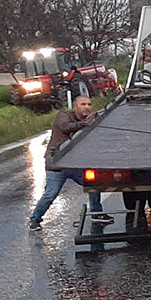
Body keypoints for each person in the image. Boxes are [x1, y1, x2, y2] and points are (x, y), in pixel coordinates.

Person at [28, 95, 109, 230]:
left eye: (89, 104)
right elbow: (65, 127)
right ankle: (35, 219)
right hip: (57, 164)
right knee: (51, 193)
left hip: (75, 165)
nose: (87, 107)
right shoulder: (64, 115)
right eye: (83, 104)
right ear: (75, 106)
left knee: (94, 184)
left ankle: (97, 213)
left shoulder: (89, 120)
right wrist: (85, 124)